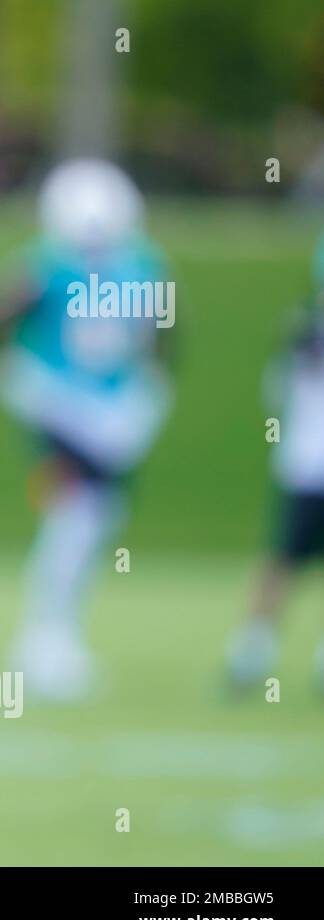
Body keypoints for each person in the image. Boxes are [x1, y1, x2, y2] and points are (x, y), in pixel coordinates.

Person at [0, 158, 173, 701]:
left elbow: (162, 333)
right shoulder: (51, 266)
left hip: (112, 411)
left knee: (95, 519)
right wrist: (21, 378)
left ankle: (56, 637)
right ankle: (44, 640)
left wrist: (149, 389)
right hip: (62, 408)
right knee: (74, 518)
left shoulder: (138, 266)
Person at [227, 235, 324, 691]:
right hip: (307, 466)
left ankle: (254, 650)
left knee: (281, 560)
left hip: (302, 463)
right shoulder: (306, 333)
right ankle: (252, 650)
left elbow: (275, 395)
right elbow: (279, 393)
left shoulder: (303, 330)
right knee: (282, 560)